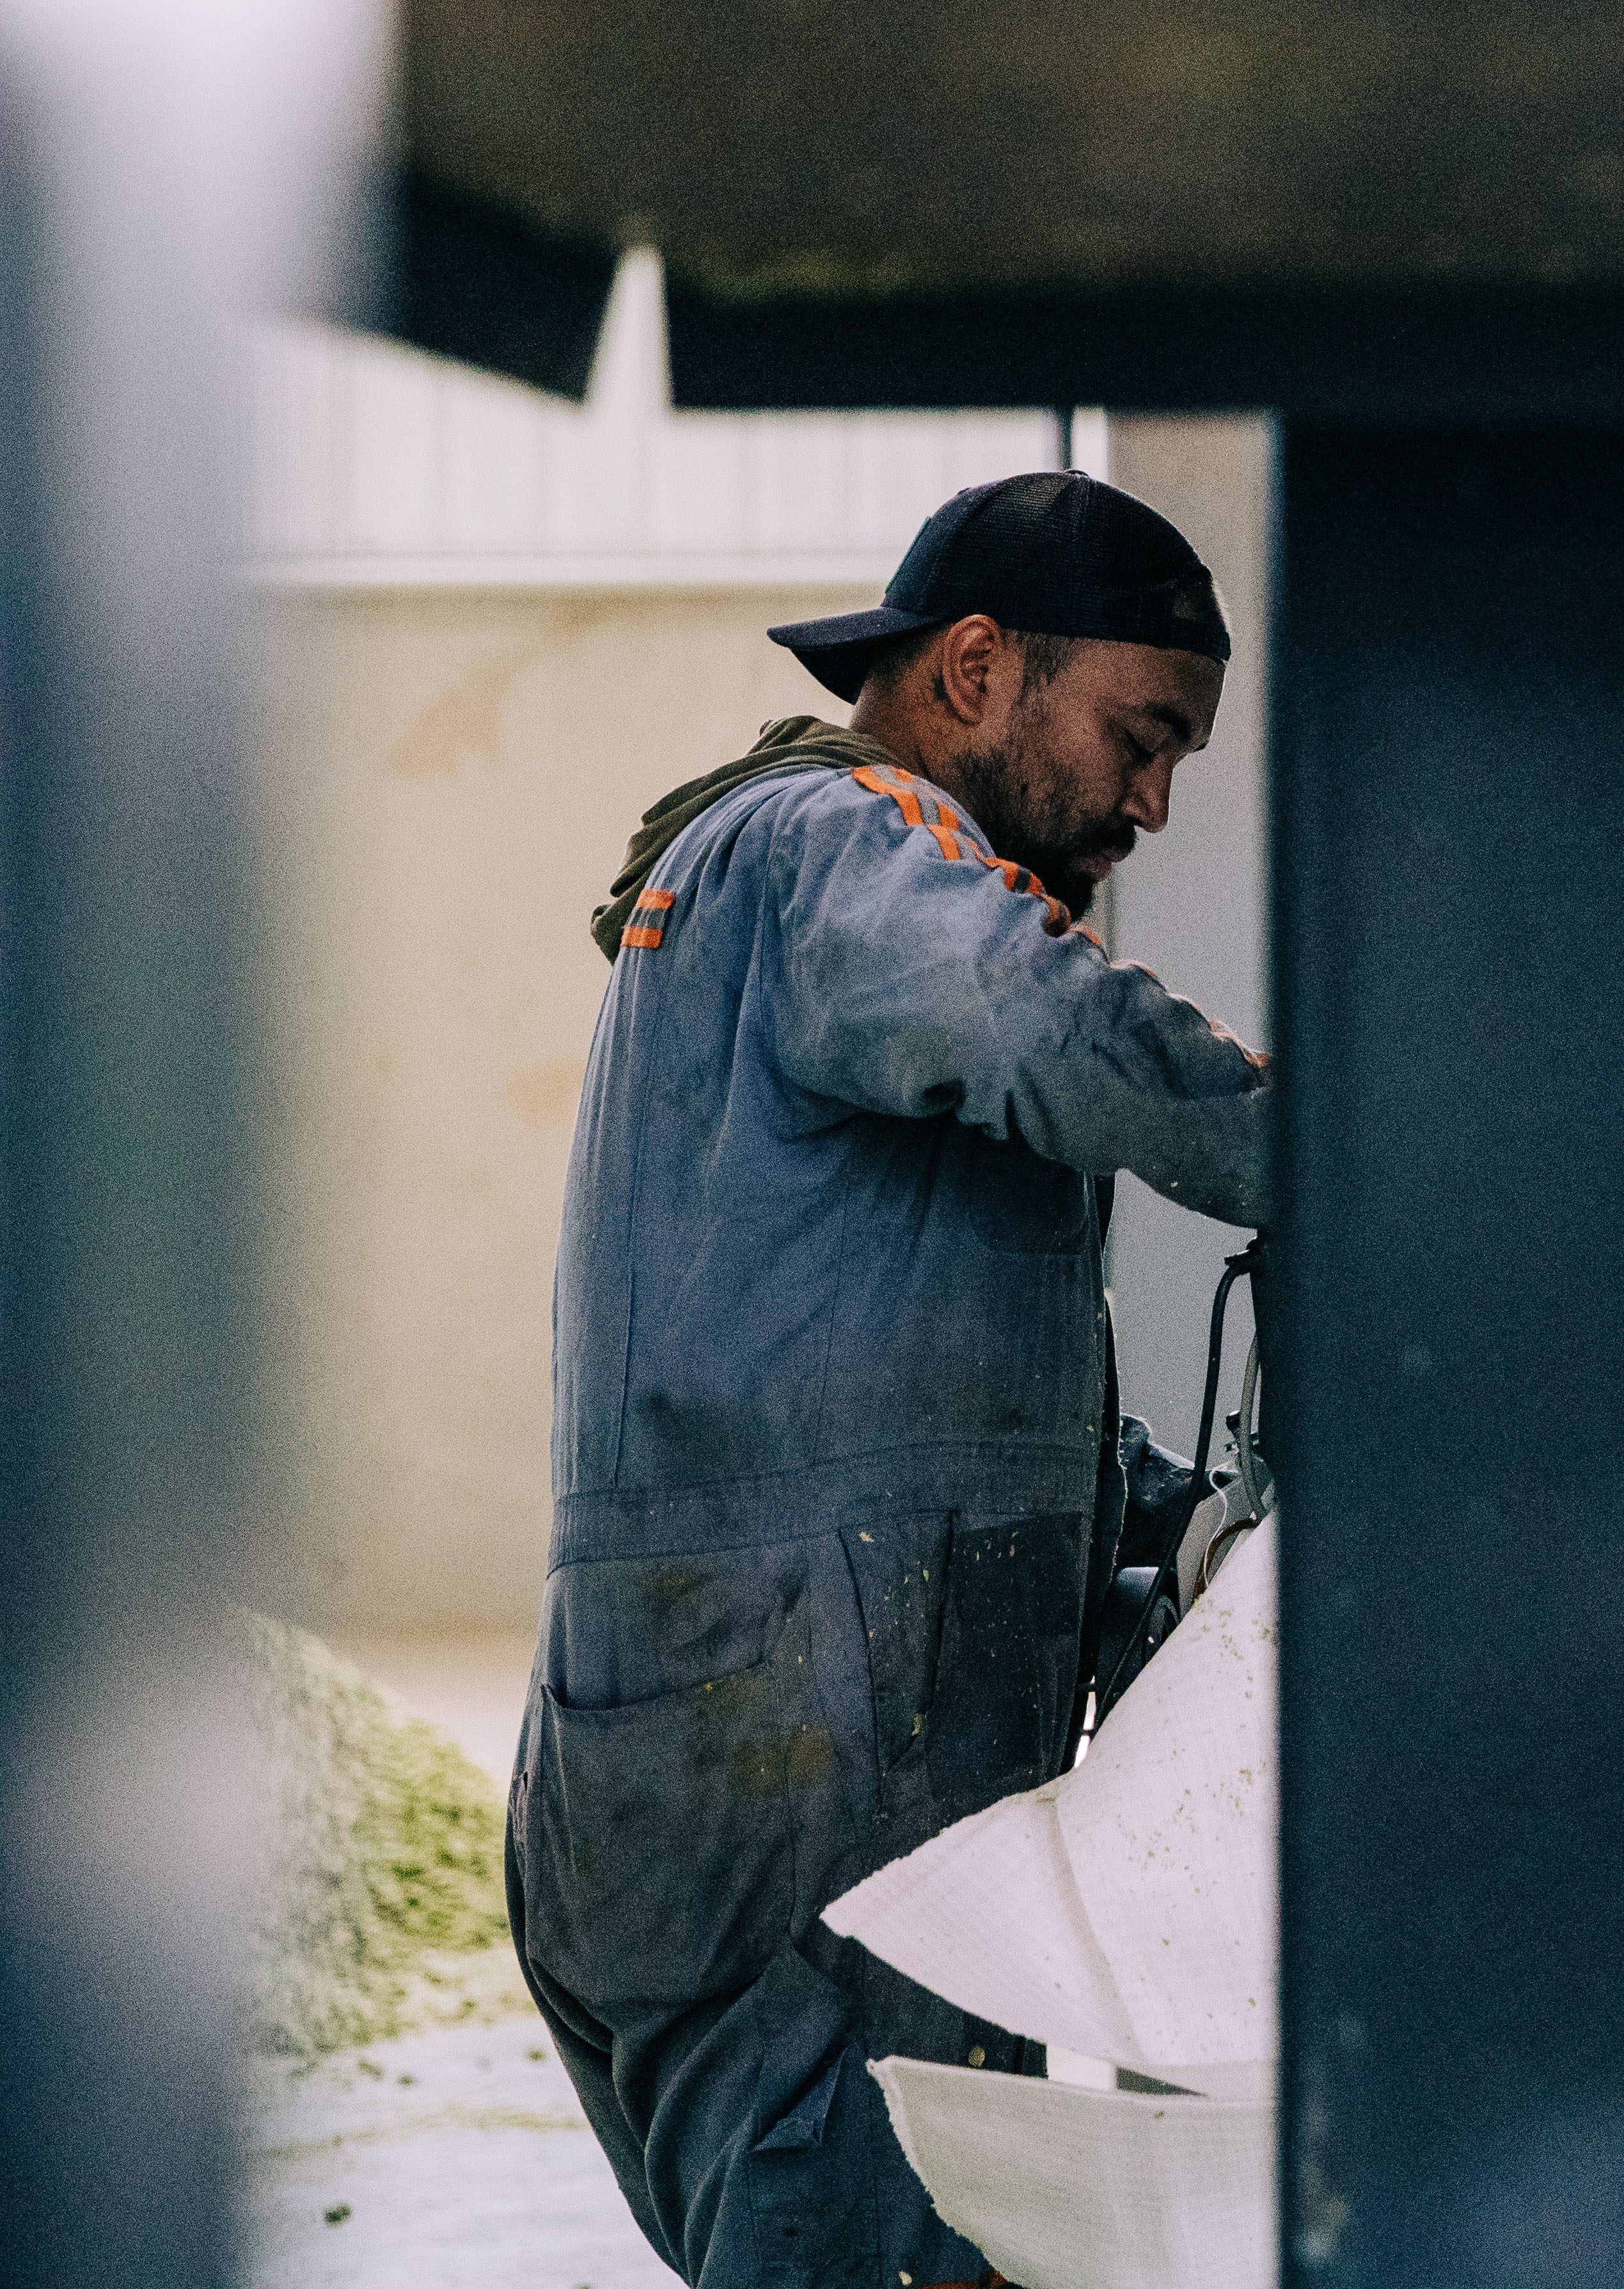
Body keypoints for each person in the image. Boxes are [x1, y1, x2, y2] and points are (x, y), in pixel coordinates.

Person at [510, 472, 1268, 2287]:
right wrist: (1369, 1151)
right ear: (980, 667)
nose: (1152, 807)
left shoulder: (789, 893)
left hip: (720, 1756)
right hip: (802, 1781)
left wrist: (1171, 1527)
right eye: (1139, 739)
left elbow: (884, 1386)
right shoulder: (837, 843)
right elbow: (1057, 1033)